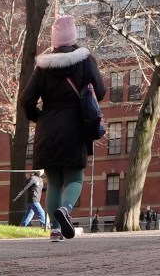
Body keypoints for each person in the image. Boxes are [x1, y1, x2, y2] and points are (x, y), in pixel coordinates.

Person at [19, 14, 106, 242]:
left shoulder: (42, 67)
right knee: (75, 178)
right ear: (73, 37)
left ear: (54, 41)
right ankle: (66, 209)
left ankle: (55, 230)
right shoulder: (85, 61)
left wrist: (39, 118)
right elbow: (102, 91)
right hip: (75, 126)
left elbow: (26, 101)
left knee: (54, 181)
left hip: (47, 128)